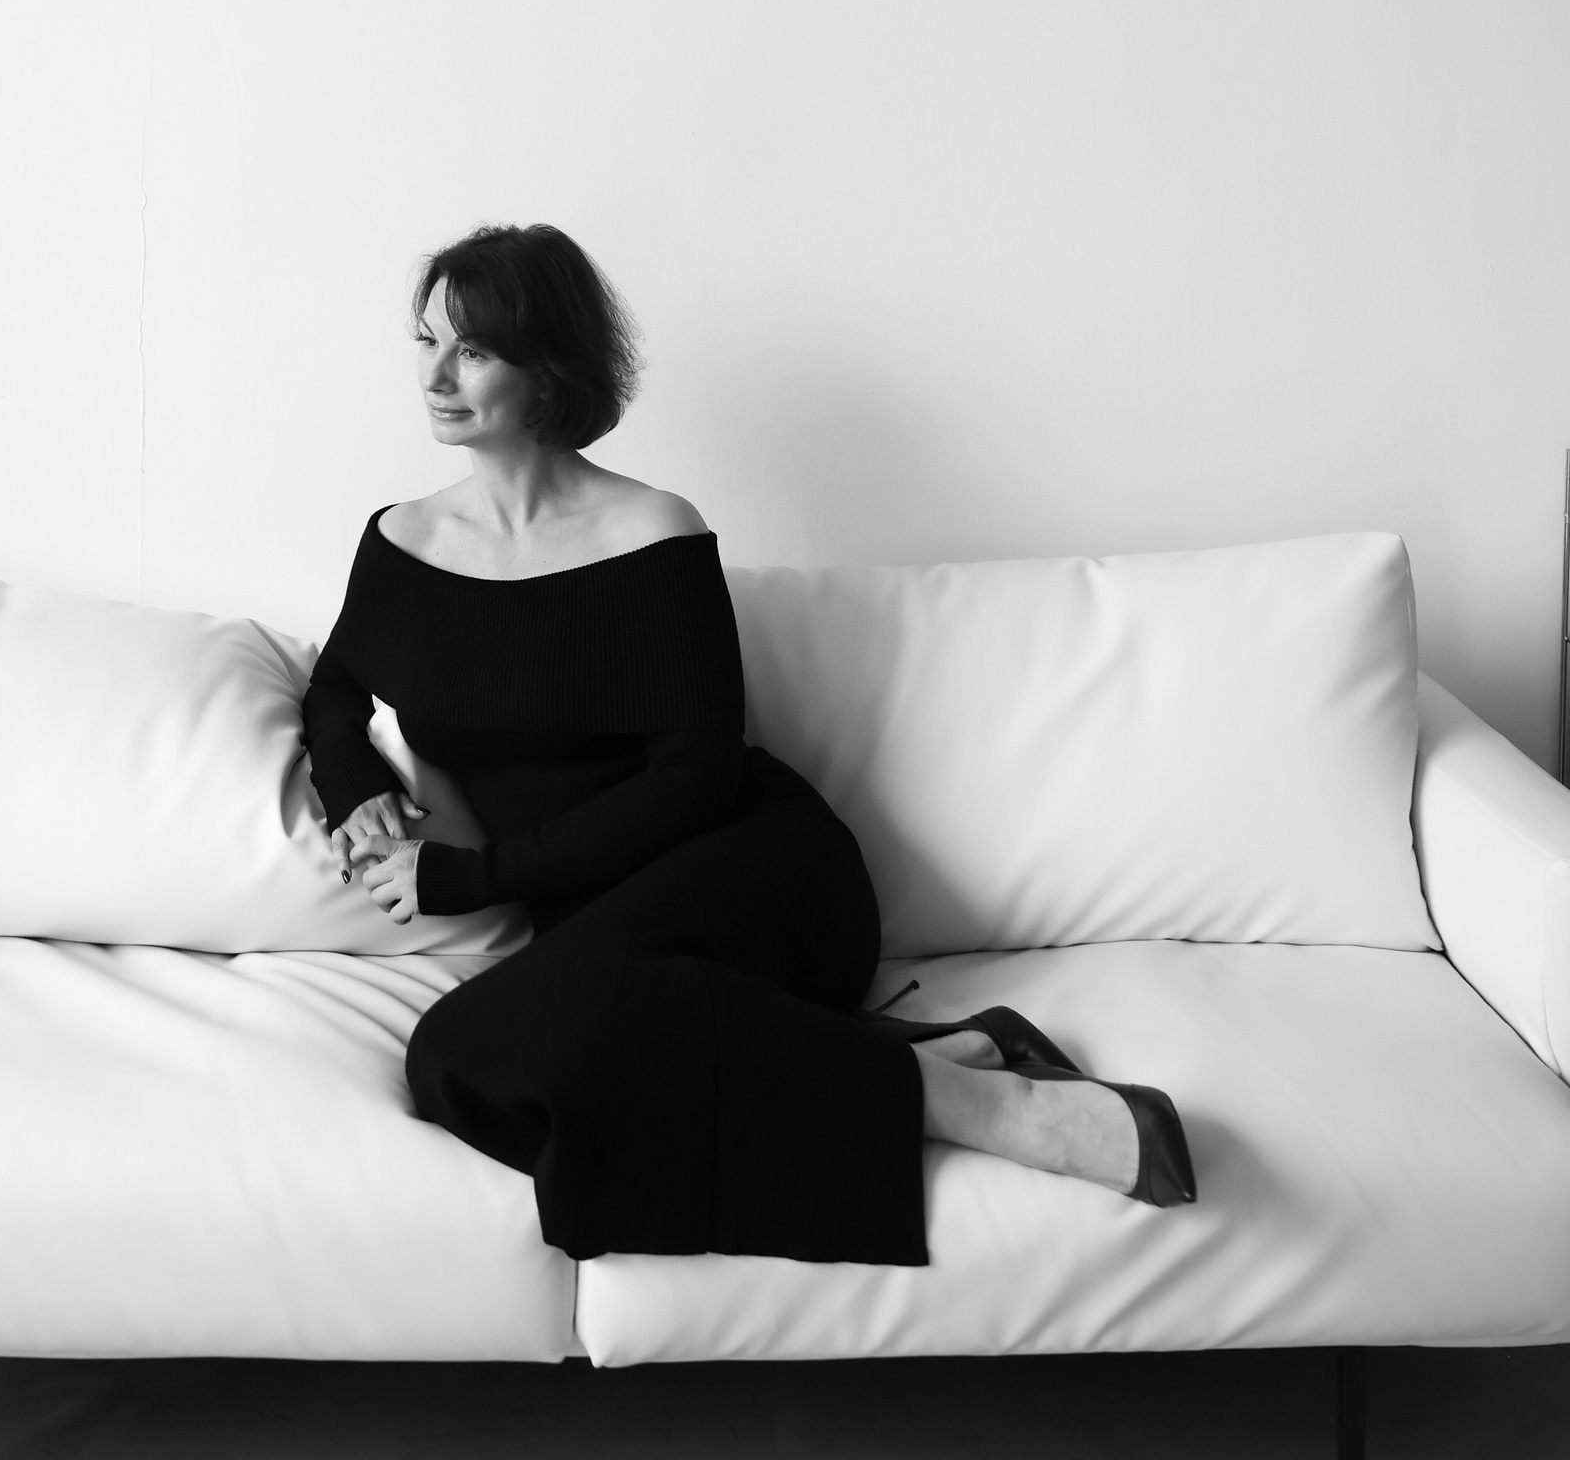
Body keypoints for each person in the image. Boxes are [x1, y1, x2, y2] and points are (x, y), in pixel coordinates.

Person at [302, 223, 1194, 1266]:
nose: (436, 377)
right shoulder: (403, 543)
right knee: (459, 1067)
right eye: (426, 341)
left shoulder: (653, 534)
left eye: (475, 351)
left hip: (756, 875)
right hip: (607, 944)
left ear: (548, 369)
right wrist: (356, 789)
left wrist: (465, 877)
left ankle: (996, 1109)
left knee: (473, 1036)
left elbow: (694, 780)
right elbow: (333, 696)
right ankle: (947, 1061)